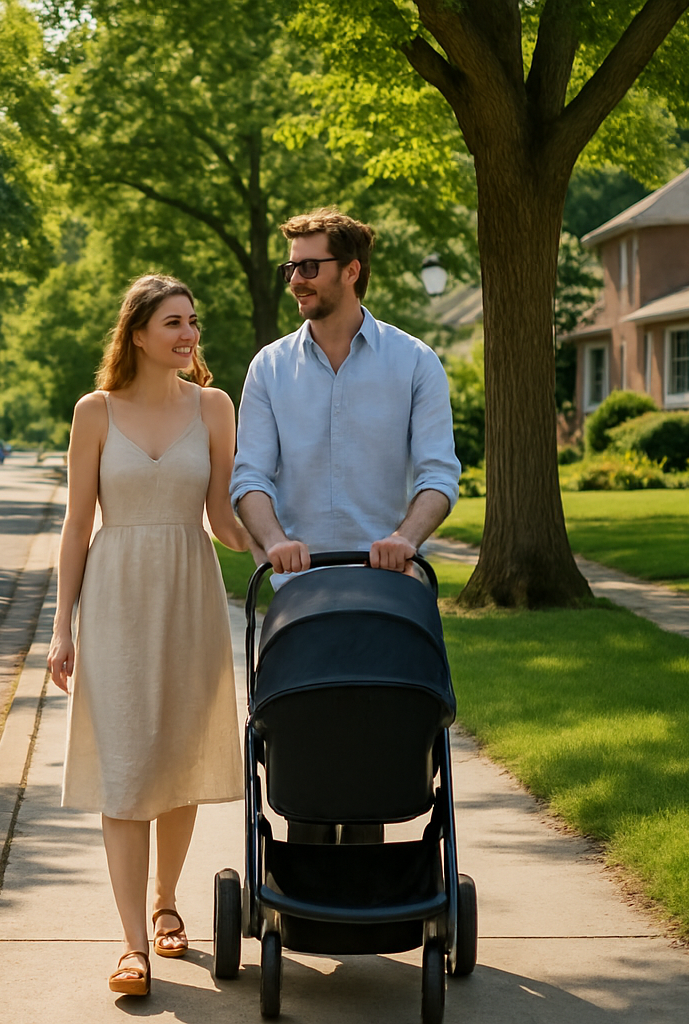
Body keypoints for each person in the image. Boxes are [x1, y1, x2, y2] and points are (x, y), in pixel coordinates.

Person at [48, 274, 252, 998]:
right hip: (116, 598)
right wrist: (61, 627)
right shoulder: (95, 411)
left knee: (178, 756)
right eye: (173, 322)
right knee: (127, 764)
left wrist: (275, 554)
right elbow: (77, 525)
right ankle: (133, 944)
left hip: (190, 592)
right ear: (137, 333)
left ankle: (169, 901)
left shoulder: (216, 407)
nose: (189, 334)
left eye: (192, 321)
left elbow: (225, 518)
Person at [230, 208, 460, 843]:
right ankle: (300, 904)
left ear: (352, 271)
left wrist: (405, 540)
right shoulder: (269, 369)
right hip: (299, 597)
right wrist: (274, 542)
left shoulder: (415, 363)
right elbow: (249, 477)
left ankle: (371, 902)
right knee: (303, 757)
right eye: (290, 267)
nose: (296, 278)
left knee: (374, 757)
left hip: (388, 594)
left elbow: (439, 475)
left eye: (310, 266)